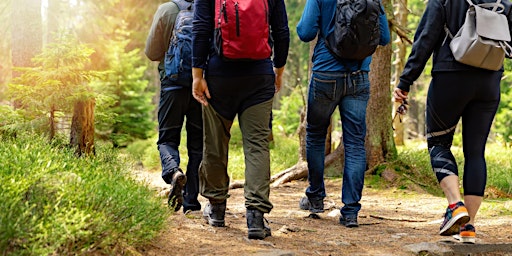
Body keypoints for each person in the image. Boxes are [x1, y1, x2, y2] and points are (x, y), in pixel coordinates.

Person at [393, 0, 512, 244]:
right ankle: (468, 227)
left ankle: (456, 206)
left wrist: (405, 82)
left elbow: (425, 38)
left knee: (438, 142)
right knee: (476, 153)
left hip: (450, 76)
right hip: (489, 81)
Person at [191, 0, 290, 240]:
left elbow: (201, 28)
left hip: (219, 77)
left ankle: (216, 209)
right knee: (256, 146)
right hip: (258, 76)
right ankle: (255, 216)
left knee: (215, 144)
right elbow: (281, 30)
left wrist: (197, 75)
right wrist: (278, 71)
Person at [296, 0, 390, 227]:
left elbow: (305, 32)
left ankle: (316, 197)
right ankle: (350, 211)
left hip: (325, 74)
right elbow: (384, 38)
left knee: (316, 135)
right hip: (358, 76)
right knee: (355, 143)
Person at [145, 0, 202, 213]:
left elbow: (152, 52)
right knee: (198, 145)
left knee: (167, 138)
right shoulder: (209, 8)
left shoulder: (166, 9)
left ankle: (173, 171)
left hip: (172, 82)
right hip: (201, 85)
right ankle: (192, 203)